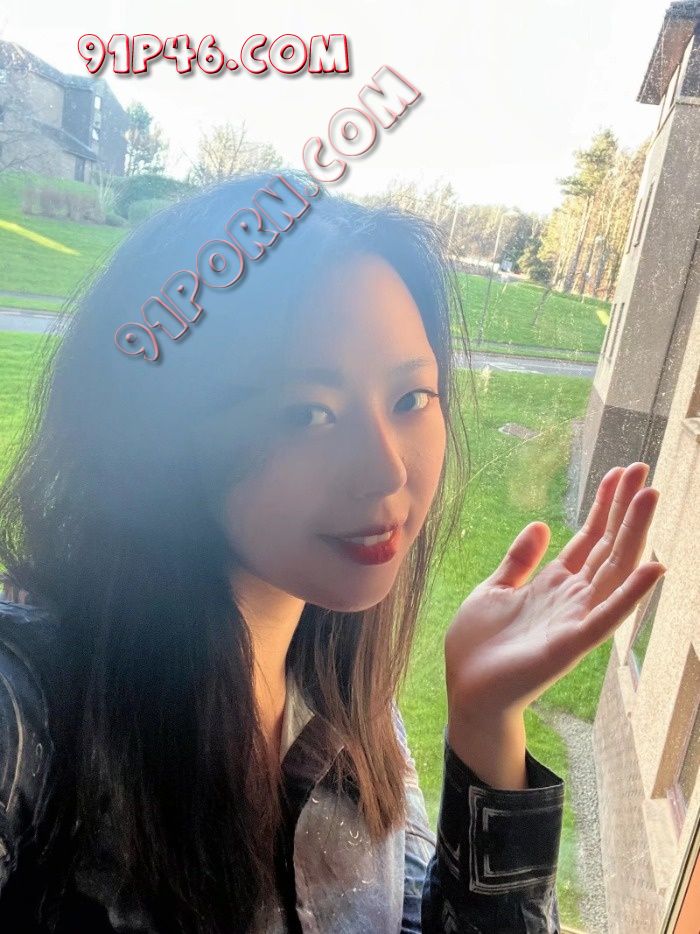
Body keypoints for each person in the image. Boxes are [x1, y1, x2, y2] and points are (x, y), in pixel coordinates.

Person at [0, 170, 664, 933]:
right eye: (309, 413)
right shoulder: (26, 710)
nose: (386, 470)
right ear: (161, 432)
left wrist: (489, 721)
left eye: (412, 399)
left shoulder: (354, 708)